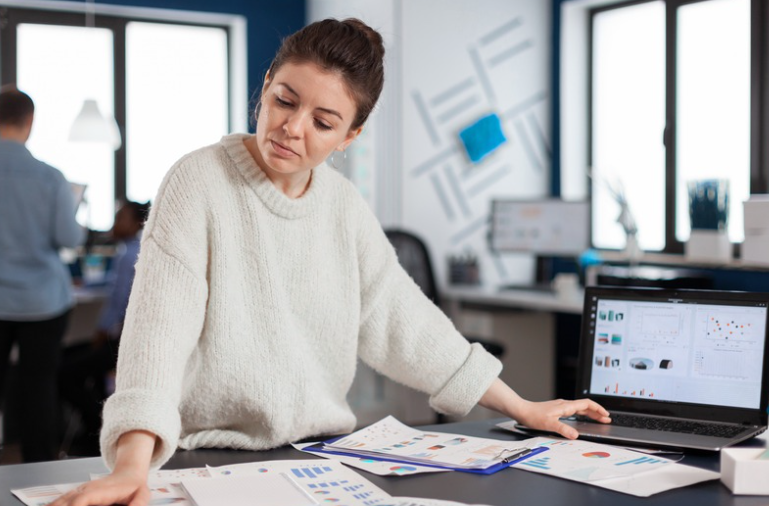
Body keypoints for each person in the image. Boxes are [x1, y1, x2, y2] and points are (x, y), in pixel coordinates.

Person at [52, 18, 609, 506]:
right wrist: (130, 467)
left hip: (321, 461)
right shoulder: (198, 181)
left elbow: (407, 324)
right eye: (285, 101)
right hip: (205, 458)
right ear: (264, 87)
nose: (292, 128)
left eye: (323, 121)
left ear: (350, 136)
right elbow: (157, 334)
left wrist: (523, 406)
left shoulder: (342, 206)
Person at [0, 86, 86, 462]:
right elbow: (68, 238)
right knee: (39, 387)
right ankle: (39, 473)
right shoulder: (50, 178)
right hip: (43, 301)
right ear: (29, 122)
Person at [59, 201, 150, 456]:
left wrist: (101, 331)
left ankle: (96, 431)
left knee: (64, 371)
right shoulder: (135, 250)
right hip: (127, 338)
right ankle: (97, 429)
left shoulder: (128, 255)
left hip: (122, 341)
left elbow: (119, 300)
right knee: (79, 361)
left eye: (120, 217)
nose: (114, 223)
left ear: (136, 223)